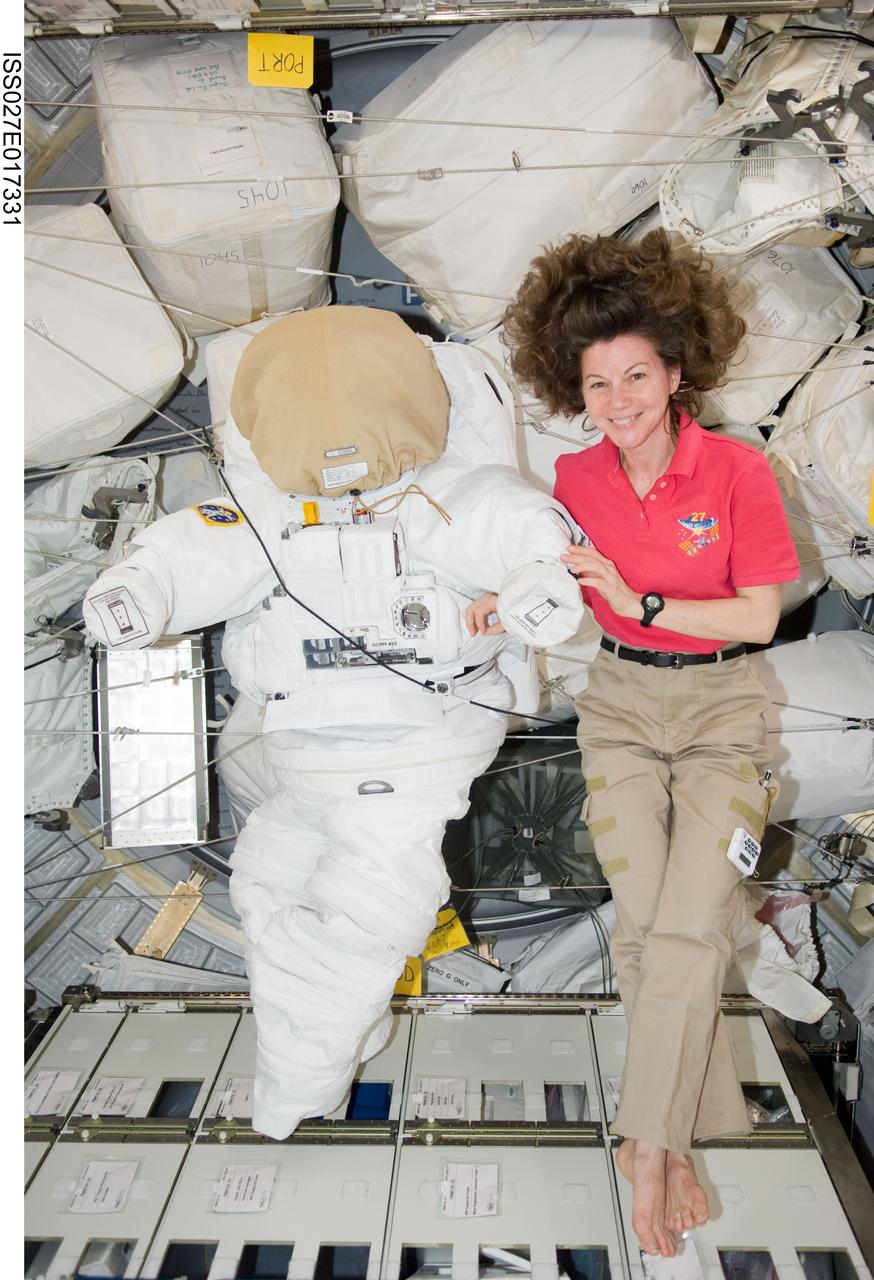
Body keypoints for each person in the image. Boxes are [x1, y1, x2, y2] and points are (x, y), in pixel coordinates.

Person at [82, 305, 587, 1140]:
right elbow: (189, 552)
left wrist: (540, 582)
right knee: (264, 888)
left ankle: (293, 1089)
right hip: (304, 765)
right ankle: (343, 1032)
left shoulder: (446, 498)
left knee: (363, 919)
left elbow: (521, 529)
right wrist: (140, 591)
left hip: (412, 753)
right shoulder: (265, 516)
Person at [466, 230, 800, 1257]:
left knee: (694, 928)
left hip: (722, 717)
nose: (617, 399)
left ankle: (649, 1141)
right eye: (596, 382)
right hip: (616, 707)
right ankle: (677, 1134)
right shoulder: (576, 478)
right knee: (645, 927)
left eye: (635, 376)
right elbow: (555, 574)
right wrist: (502, 596)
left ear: (676, 369)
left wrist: (638, 594)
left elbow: (755, 618)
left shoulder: (738, 471)